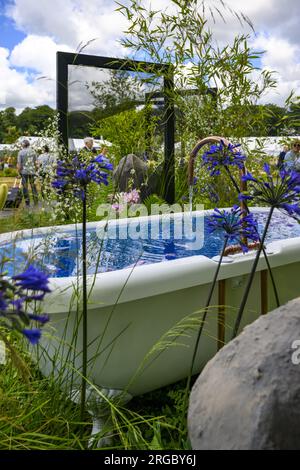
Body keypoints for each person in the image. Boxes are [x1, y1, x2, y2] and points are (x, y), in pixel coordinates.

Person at [17, 139, 38, 207]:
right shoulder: (33, 151)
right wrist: (36, 170)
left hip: (24, 172)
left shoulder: (20, 152)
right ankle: (35, 201)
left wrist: (19, 172)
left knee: (25, 187)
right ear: (28, 144)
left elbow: (19, 164)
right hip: (32, 171)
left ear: (23, 145)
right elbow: (36, 162)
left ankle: (27, 202)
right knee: (33, 186)